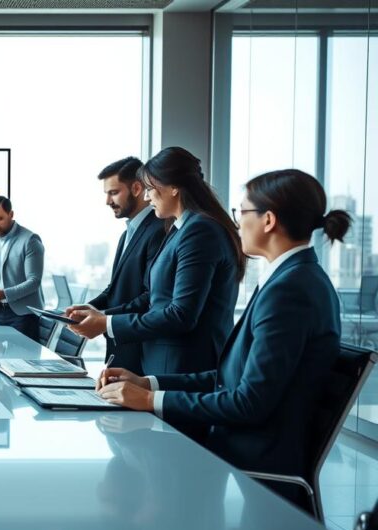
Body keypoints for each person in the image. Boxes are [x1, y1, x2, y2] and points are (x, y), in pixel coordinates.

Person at [95, 168, 350, 511]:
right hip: (240, 448)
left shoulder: (291, 290)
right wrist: (148, 384)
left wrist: (150, 401)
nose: (236, 222)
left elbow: (248, 403)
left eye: (241, 212)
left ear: (268, 220)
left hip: (254, 465)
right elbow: (230, 380)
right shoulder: (290, 279)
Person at [66, 147, 243, 376]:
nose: (147, 197)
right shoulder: (178, 230)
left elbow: (181, 314)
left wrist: (106, 324)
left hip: (184, 365)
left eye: (150, 189)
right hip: (164, 362)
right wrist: (100, 314)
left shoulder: (200, 231)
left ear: (174, 188)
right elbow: (157, 295)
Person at [84, 156, 166, 374]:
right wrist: (90, 308)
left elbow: (151, 295)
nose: (107, 201)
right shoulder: (127, 233)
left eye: (113, 192)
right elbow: (116, 287)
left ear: (137, 188)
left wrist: (104, 319)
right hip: (122, 346)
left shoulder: (158, 230)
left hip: (140, 349)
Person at [0, 195, 45, 343]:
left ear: (11, 214)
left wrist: (3, 294)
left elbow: (34, 282)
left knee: (23, 363)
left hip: (24, 314)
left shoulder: (30, 240)